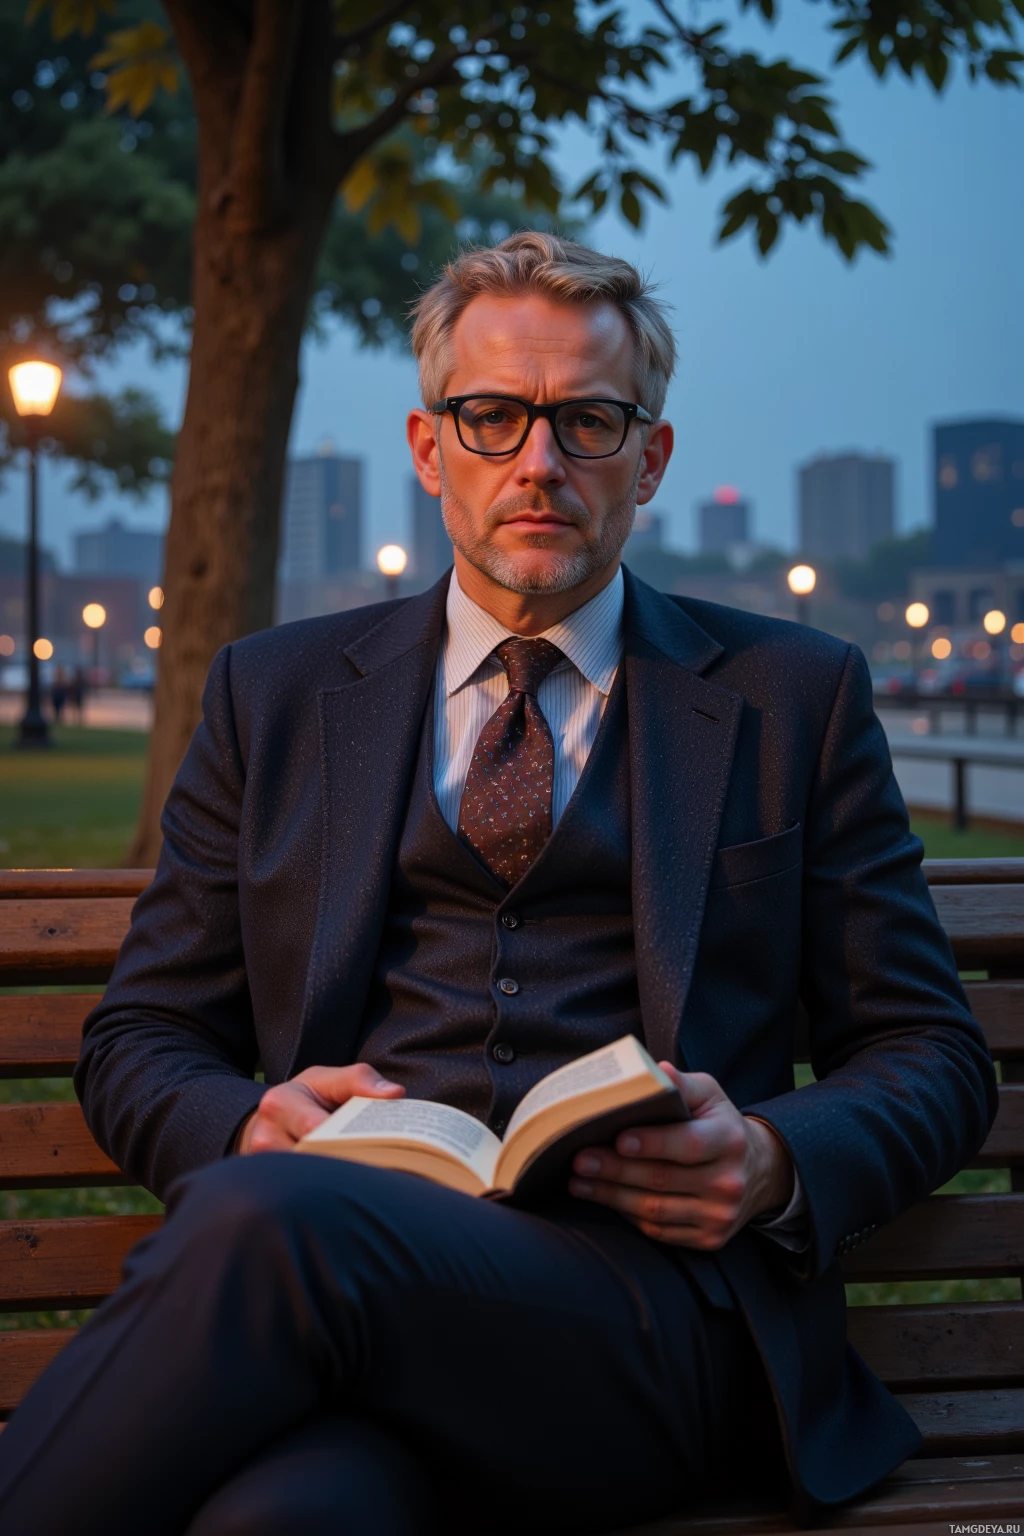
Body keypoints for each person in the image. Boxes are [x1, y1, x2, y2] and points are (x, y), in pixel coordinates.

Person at [0, 234, 996, 1536]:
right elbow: (142, 1038)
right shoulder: (277, 695)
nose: (540, 462)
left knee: (279, 1229)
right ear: (429, 449)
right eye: (493, 417)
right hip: (363, 1340)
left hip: (658, 1331)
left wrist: (764, 1159)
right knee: (286, 1520)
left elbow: (932, 1053)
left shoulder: (791, 698)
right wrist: (241, 1125)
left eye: (588, 419)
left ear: (650, 459)